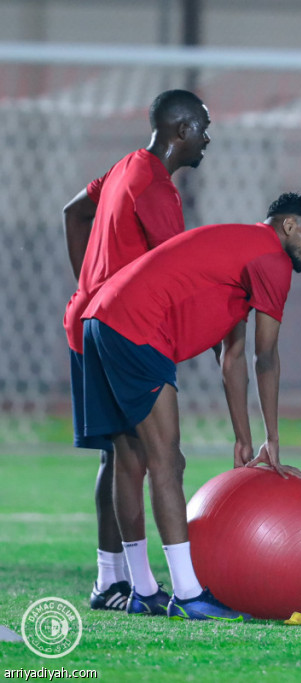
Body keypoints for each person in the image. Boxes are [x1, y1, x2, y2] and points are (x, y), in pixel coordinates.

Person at [80, 192, 301, 621]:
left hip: (100, 319)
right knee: (167, 462)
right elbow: (265, 357)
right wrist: (273, 437)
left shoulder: (241, 249)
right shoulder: (271, 260)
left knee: (130, 457)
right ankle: (188, 593)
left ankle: (143, 589)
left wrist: (243, 438)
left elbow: (232, 357)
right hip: (138, 327)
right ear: (289, 226)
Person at [62, 89, 211, 612]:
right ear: (182, 130)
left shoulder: (125, 166)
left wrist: (90, 284)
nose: (207, 140)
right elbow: (177, 272)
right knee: (154, 456)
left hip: (86, 320)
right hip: (127, 331)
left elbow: (73, 213)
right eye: (204, 129)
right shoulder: (157, 189)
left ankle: (114, 581)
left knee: (121, 453)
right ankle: (171, 589)